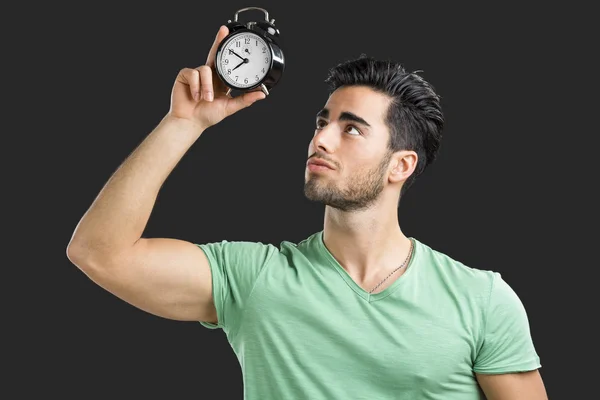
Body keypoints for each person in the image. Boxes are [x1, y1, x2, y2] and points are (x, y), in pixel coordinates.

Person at [66, 25, 547, 399]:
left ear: (401, 165)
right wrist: (182, 123)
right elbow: (99, 253)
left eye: (352, 129)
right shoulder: (256, 279)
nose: (320, 138)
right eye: (323, 122)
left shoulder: (481, 299)